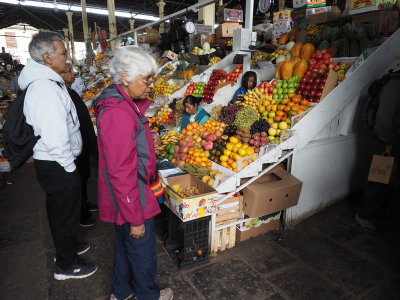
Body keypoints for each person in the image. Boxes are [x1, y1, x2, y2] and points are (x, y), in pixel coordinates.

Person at [92, 46, 173, 300]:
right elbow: (120, 171)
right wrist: (135, 217)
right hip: (132, 196)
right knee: (141, 249)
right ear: (126, 77)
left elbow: (126, 151)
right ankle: (148, 295)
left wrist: (148, 142)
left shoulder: (122, 103)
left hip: (129, 192)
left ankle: (121, 291)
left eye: (152, 78)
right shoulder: (117, 112)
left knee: (126, 246)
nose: (151, 85)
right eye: (147, 79)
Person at [18, 31, 98, 280]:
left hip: (56, 163)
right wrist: (70, 167)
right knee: (64, 211)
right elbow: (54, 134)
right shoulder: (44, 88)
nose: (67, 56)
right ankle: (66, 265)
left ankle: (67, 248)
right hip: (57, 163)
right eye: (63, 52)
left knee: (62, 211)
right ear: (47, 57)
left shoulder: (48, 82)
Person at [355, 70, 400, 233]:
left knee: (387, 179)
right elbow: (384, 118)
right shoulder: (395, 85)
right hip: (385, 141)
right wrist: (387, 142)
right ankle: (365, 215)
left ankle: (378, 212)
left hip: (391, 139)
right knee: (378, 179)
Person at [61, 63, 98, 227]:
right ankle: (82, 215)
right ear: (61, 74)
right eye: (69, 71)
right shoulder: (62, 94)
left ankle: (85, 204)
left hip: (82, 144)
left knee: (84, 177)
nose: (74, 74)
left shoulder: (70, 91)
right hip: (74, 148)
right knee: (78, 180)